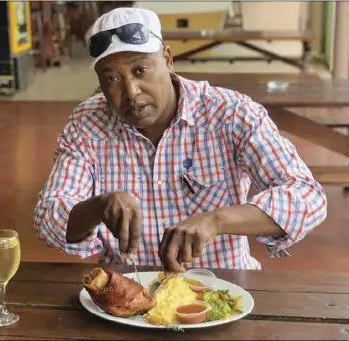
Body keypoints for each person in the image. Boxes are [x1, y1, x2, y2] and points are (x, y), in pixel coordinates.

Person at [33, 7, 327, 272]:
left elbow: (307, 196)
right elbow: (48, 218)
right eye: (111, 78)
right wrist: (98, 207)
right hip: (129, 294)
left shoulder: (231, 113)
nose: (131, 91)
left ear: (168, 59)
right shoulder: (88, 124)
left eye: (140, 70)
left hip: (221, 288)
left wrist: (216, 221)